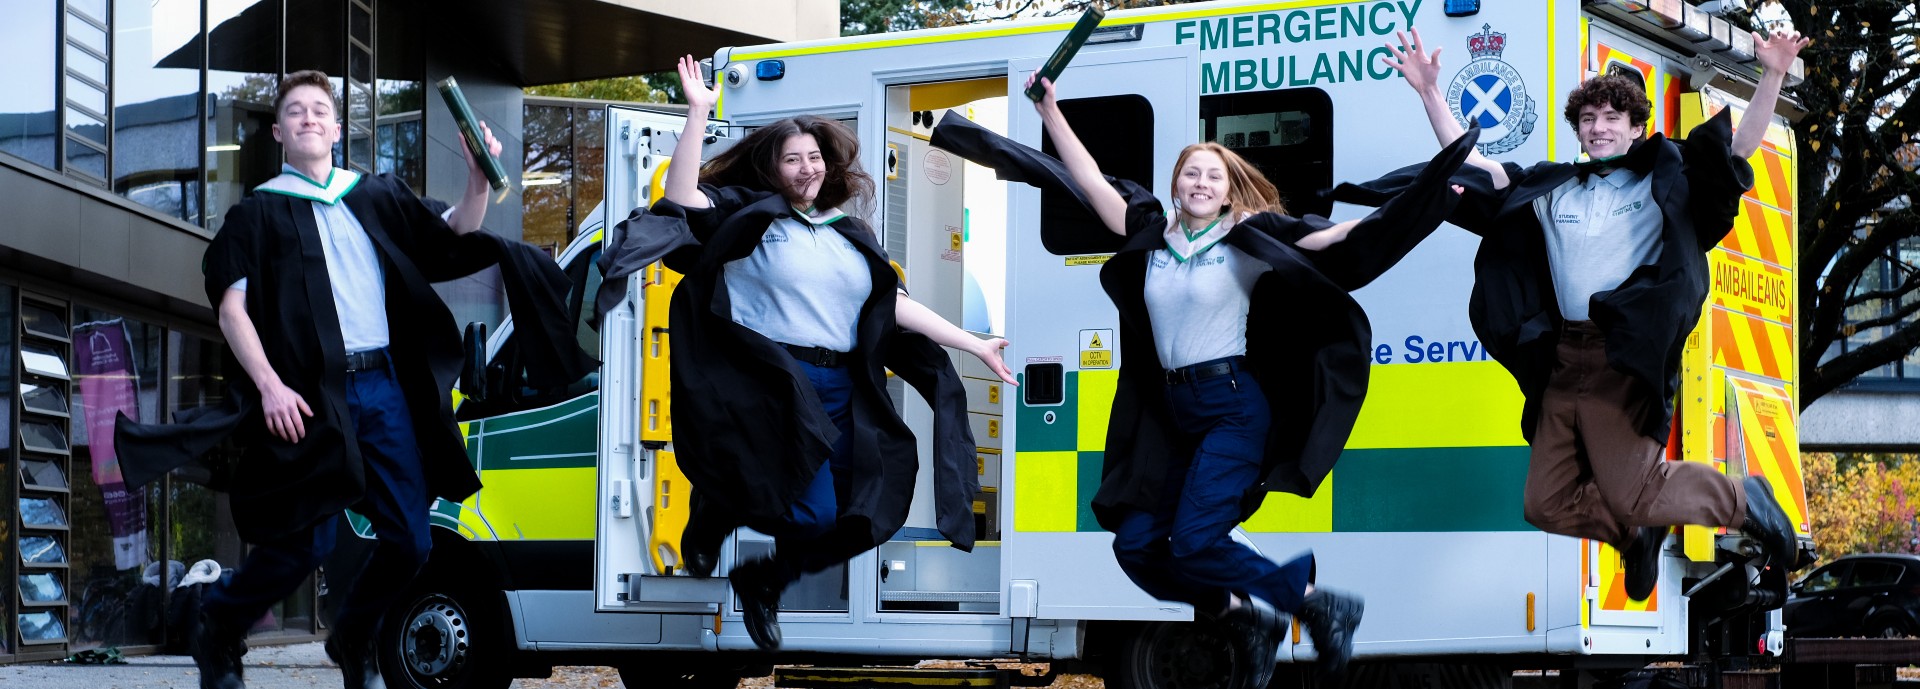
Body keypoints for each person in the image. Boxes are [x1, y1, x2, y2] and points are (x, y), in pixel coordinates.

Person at [931, 76, 1477, 688]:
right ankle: (1243, 616)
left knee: (1193, 541)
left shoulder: (1250, 237)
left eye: (1213, 176)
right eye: (1191, 173)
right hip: (1169, 413)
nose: (1201, 183)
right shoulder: (1148, 233)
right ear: (1176, 185)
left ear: (1228, 191)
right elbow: (1084, 178)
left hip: (1232, 408)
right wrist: (1051, 110)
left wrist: (1427, 197)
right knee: (1136, 546)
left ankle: (1314, 602)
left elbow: (1337, 239)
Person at [115, 70, 592, 689]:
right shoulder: (256, 214)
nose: (309, 118)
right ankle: (220, 621)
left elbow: (453, 236)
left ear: (338, 129)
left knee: (412, 541)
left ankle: (353, 633)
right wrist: (269, 386)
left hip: (383, 386)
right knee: (307, 544)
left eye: (320, 110)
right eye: (295, 112)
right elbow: (231, 309)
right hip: (311, 397)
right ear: (281, 133)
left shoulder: (373, 194)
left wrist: (478, 178)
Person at [1363, 28, 1812, 602]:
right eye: (1589, 119)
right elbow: (1473, 165)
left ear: (1635, 127)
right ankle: (1632, 533)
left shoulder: (1661, 181)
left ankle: (1742, 499)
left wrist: (1771, 74)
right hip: (1561, 359)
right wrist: (1429, 94)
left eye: (1612, 117)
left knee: (1635, 488)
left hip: (1619, 357)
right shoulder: (1553, 188)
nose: (1599, 127)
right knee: (1544, 502)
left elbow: (1736, 154)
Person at [598, 55, 1017, 652]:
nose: (806, 168)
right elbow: (683, 196)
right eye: (792, 158)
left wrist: (974, 343)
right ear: (773, 167)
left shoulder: (851, 234)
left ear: (830, 163)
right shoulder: (751, 219)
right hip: (779, 385)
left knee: (867, 514)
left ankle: (765, 578)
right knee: (814, 514)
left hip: (844, 388)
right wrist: (698, 111)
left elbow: (893, 307)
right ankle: (719, 503)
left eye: (814, 157)